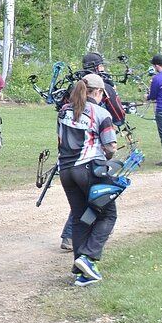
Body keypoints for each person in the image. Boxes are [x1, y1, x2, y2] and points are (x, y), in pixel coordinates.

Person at [60, 52, 126, 250]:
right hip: (89, 161)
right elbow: (117, 117)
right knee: (104, 207)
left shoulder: (66, 106)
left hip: (66, 164)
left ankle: (74, 245)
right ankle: (90, 251)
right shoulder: (101, 108)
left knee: (81, 207)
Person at [57, 75, 119, 287]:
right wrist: (107, 156)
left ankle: (81, 272)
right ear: (98, 92)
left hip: (66, 171)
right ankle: (88, 257)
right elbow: (110, 147)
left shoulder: (64, 110)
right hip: (88, 168)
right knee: (108, 215)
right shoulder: (101, 113)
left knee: (80, 216)